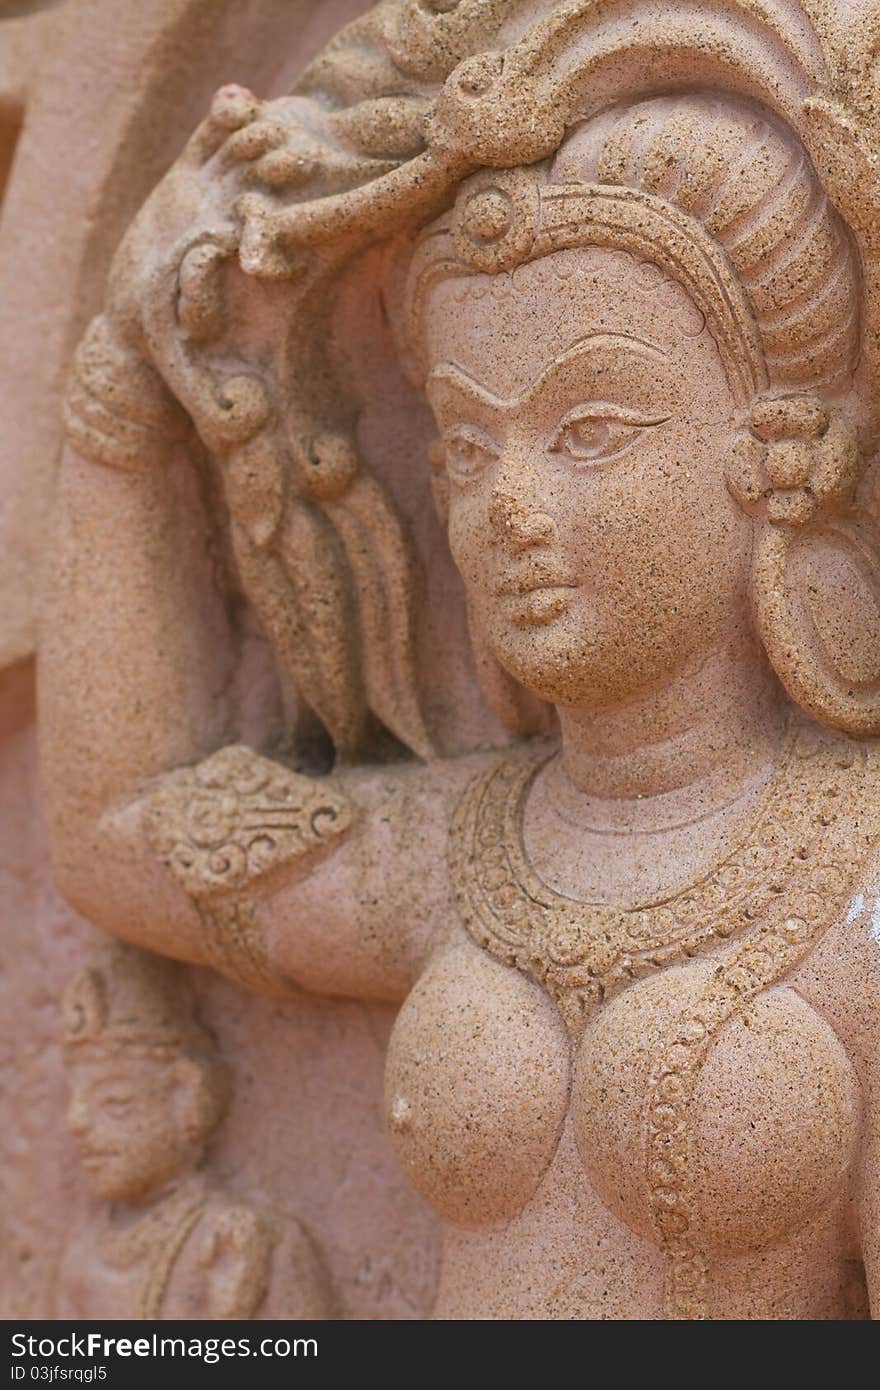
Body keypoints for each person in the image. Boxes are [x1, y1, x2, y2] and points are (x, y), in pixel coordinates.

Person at [41, 0, 880, 1317]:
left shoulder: (858, 878)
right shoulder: (465, 857)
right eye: (469, 449)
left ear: (775, 454)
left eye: (590, 431)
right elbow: (114, 833)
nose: (510, 511)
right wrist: (121, 396)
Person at [57, 939, 329, 1319]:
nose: (78, 1125)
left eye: (115, 1103)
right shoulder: (83, 1258)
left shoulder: (250, 1244)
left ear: (187, 1097)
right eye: (75, 1104)